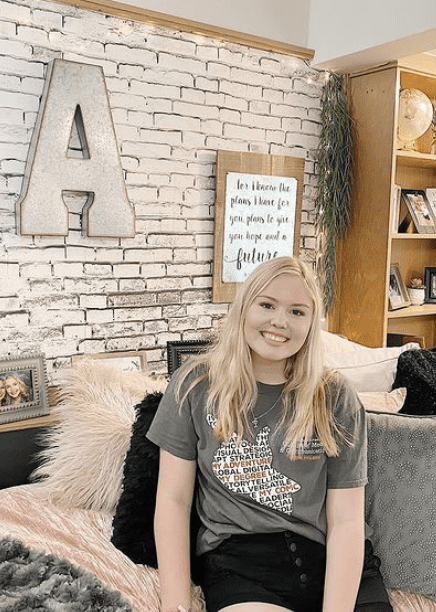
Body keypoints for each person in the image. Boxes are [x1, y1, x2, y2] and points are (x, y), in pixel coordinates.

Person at [149, 256, 392, 612]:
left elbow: (346, 519)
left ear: (312, 324)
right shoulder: (194, 386)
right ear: (245, 308)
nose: (280, 322)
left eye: (297, 311)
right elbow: (173, 501)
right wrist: (175, 606)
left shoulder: (336, 396)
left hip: (333, 561)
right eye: (267, 305)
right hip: (241, 566)